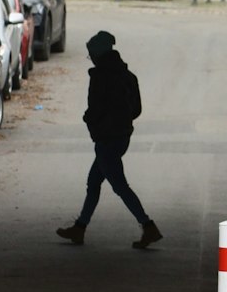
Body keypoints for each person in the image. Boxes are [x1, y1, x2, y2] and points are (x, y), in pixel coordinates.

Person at [56, 31, 163, 250]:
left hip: (106, 139)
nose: (91, 58)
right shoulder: (128, 76)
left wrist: (90, 119)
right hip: (122, 136)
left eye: (90, 54)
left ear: (98, 53)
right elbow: (137, 110)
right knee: (94, 182)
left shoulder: (100, 78)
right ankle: (80, 227)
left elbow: (95, 108)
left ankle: (148, 225)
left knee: (119, 186)